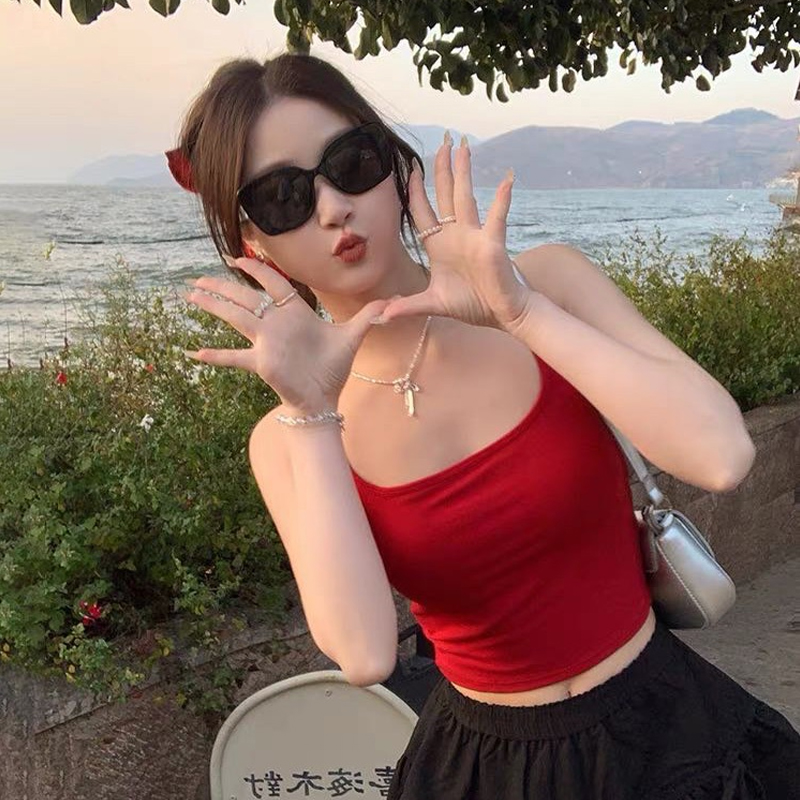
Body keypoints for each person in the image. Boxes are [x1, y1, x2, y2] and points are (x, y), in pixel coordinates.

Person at [168, 52, 800, 798]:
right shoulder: (288, 436)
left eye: (350, 163)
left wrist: (520, 312)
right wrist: (312, 412)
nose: (334, 207)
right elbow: (364, 654)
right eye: (284, 197)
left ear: (393, 168)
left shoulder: (546, 283)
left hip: (667, 729)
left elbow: (722, 455)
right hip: (482, 767)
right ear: (253, 244)